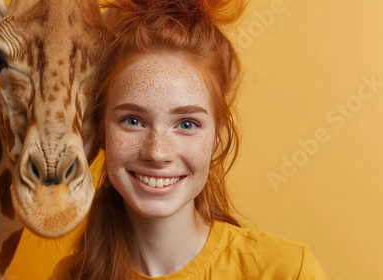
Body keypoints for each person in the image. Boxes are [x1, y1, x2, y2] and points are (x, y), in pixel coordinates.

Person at [50, 0, 327, 279]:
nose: (157, 153)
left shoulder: (288, 271)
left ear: (217, 136)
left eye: (187, 124)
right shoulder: (70, 276)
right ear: (101, 131)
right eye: (133, 121)